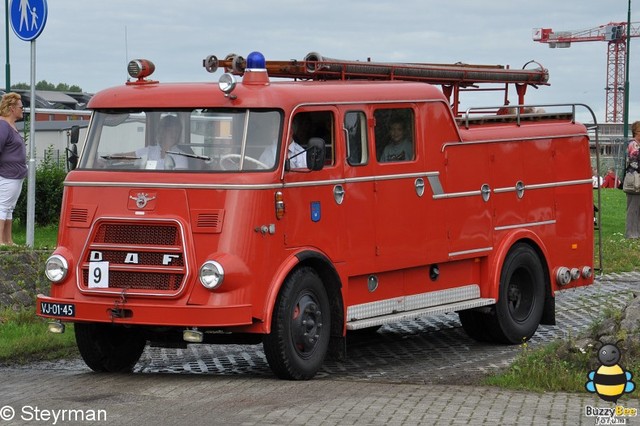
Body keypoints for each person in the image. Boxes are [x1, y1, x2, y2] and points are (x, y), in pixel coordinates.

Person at [0, 93, 26, 246]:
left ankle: (8, 240)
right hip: (7, 174)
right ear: (12, 108)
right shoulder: (3, 125)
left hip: (15, 175)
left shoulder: (10, 125)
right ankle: (1, 241)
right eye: (21, 107)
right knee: (2, 206)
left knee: (9, 208)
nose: (23, 110)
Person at [626, 121, 640, 238]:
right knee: (633, 208)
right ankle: (632, 234)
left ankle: (637, 233)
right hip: (634, 180)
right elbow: (634, 161)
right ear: (636, 132)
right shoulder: (633, 145)